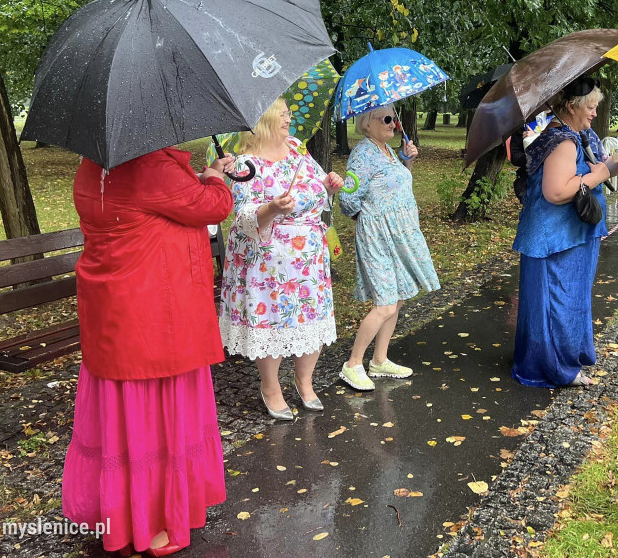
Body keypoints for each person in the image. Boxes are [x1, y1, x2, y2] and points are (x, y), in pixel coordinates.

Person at [63, 145, 234, 557]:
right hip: (155, 317)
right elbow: (213, 206)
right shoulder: (152, 167)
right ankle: (154, 523)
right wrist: (215, 175)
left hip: (112, 310)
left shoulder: (92, 165)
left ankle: (119, 515)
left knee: (121, 421)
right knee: (157, 417)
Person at [219, 98, 343, 419]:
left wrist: (329, 185)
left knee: (310, 319)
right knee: (273, 320)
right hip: (267, 260)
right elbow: (242, 217)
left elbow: (317, 187)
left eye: (289, 113)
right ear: (264, 120)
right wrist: (273, 208)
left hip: (309, 257)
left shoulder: (297, 148)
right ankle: (271, 387)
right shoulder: (246, 165)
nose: (289, 119)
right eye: (283, 114)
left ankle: (304, 381)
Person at [511, 76, 618, 388]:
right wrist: (599, 174)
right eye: (591, 106)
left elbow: (589, 171)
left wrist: (613, 165)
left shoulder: (574, 135)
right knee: (558, 302)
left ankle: (558, 360)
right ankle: (554, 367)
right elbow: (556, 192)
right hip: (556, 240)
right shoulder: (563, 141)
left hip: (566, 236)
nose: (595, 113)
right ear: (572, 106)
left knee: (566, 300)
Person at [337, 104, 440, 390]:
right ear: (367, 123)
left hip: (400, 235)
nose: (393, 123)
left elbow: (393, 186)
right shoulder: (363, 153)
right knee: (384, 303)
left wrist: (407, 161)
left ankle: (379, 360)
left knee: (399, 296)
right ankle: (353, 364)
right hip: (378, 236)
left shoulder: (387, 150)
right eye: (386, 119)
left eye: (394, 118)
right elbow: (347, 198)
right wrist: (370, 219)